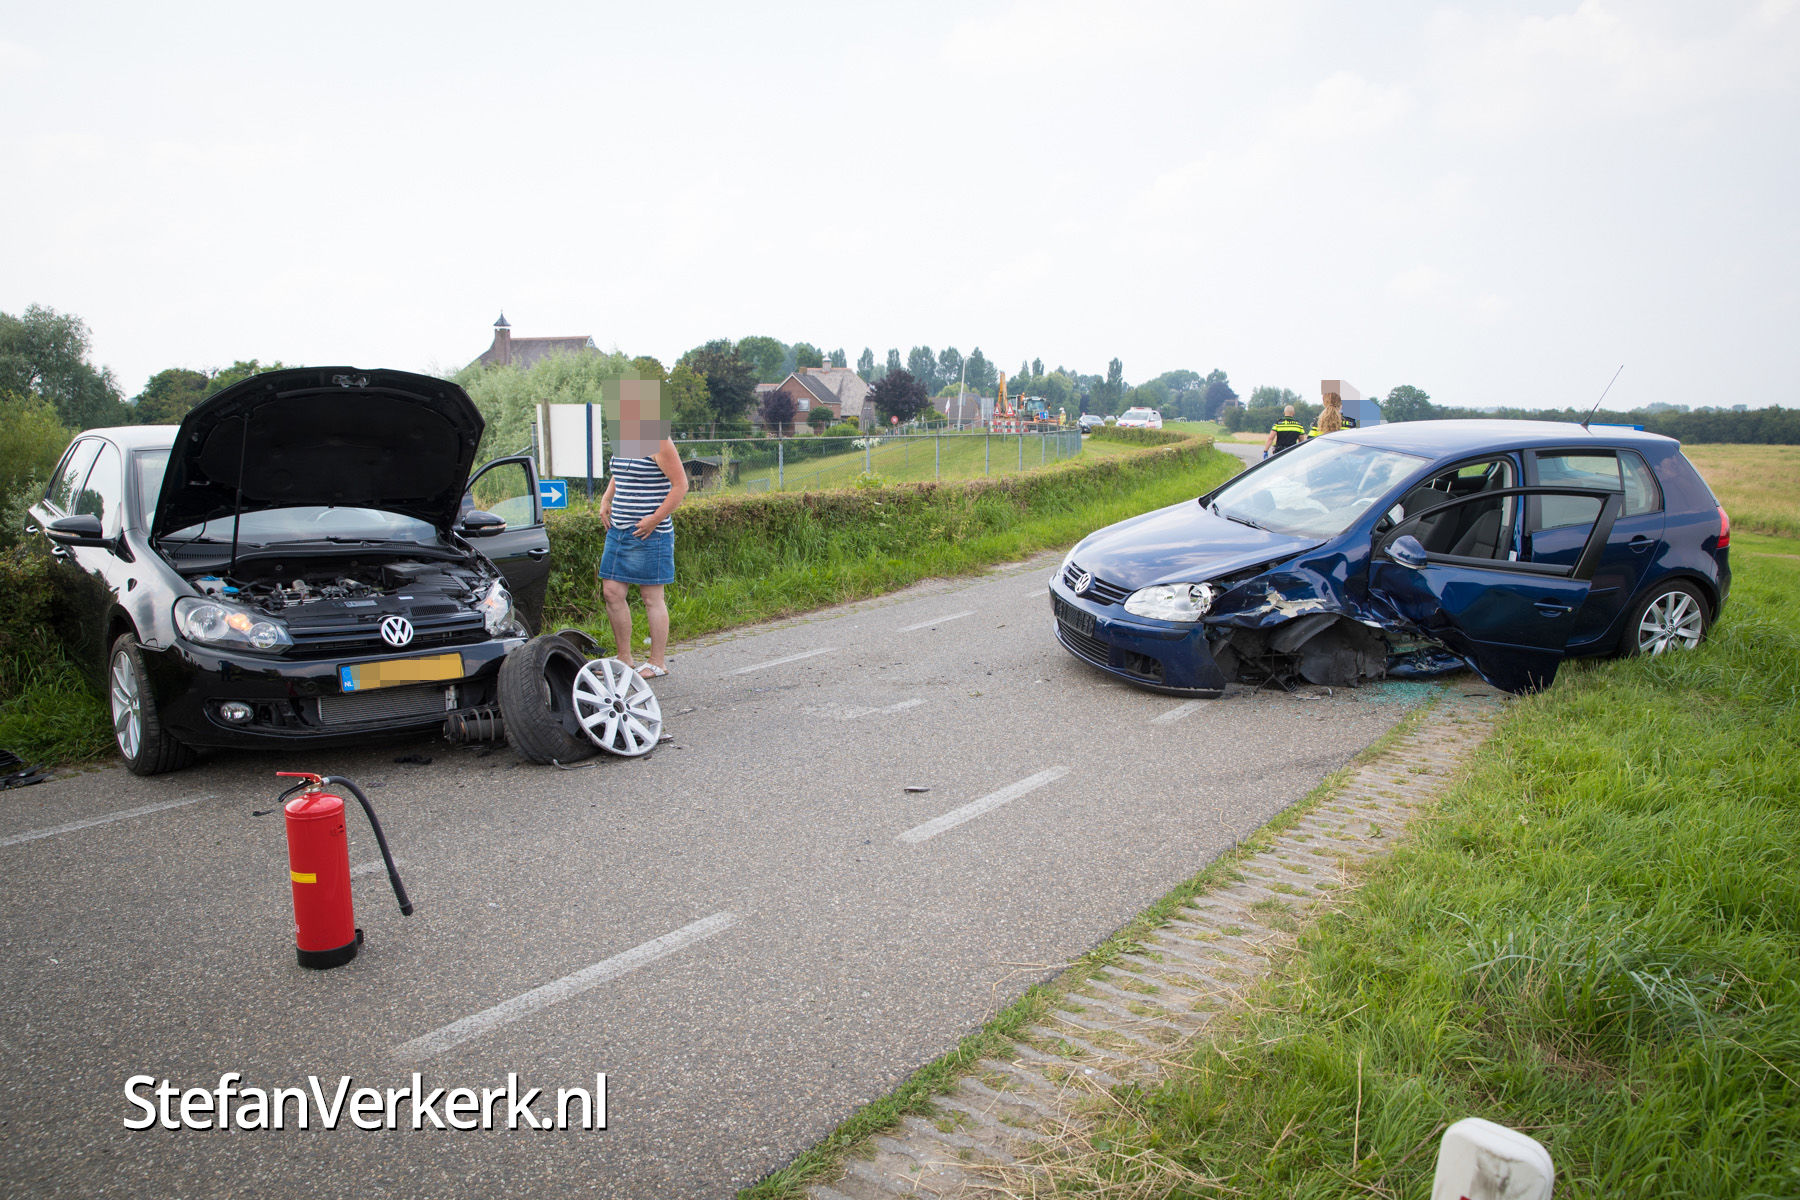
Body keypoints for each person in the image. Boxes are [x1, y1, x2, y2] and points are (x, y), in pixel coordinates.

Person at [599, 383, 689, 679]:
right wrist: (606, 499)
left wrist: (655, 519)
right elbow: (620, 472)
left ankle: (657, 662)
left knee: (652, 597)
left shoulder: (658, 440)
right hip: (619, 530)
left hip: (651, 534)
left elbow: (681, 485)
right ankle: (624, 658)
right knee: (612, 592)